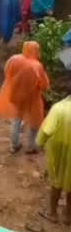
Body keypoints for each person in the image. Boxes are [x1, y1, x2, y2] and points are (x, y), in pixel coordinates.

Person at [0, 41, 49, 154]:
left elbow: (6, 72)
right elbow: (43, 85)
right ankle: (30, 147)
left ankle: (14, 145)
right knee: (35, 121)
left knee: (16, 120)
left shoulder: (14, 59)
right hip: (32, 98)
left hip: (16, 95)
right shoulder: (37, 65)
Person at [39, 94, 71, 223]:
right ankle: (69, 216)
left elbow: (46, 131)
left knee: (56, 183)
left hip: (58, 152)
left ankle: (52, 213)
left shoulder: (58, 108)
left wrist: (40, 142)